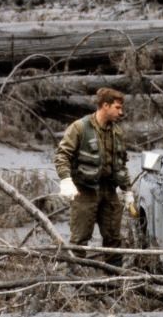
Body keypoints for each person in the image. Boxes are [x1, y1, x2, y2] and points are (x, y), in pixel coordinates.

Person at [54, 87, 132, 255]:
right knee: (79, 239)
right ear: (105, 105)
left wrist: (127, 191)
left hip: (109, 191)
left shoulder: (117, 132)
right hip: (84, 191)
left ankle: (114, 279)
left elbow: (121, 163)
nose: (121, 112)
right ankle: (75, 277)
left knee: (114, 239)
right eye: (117, 108)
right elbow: (62, 155)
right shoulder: (80, 127)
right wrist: (66, 180)